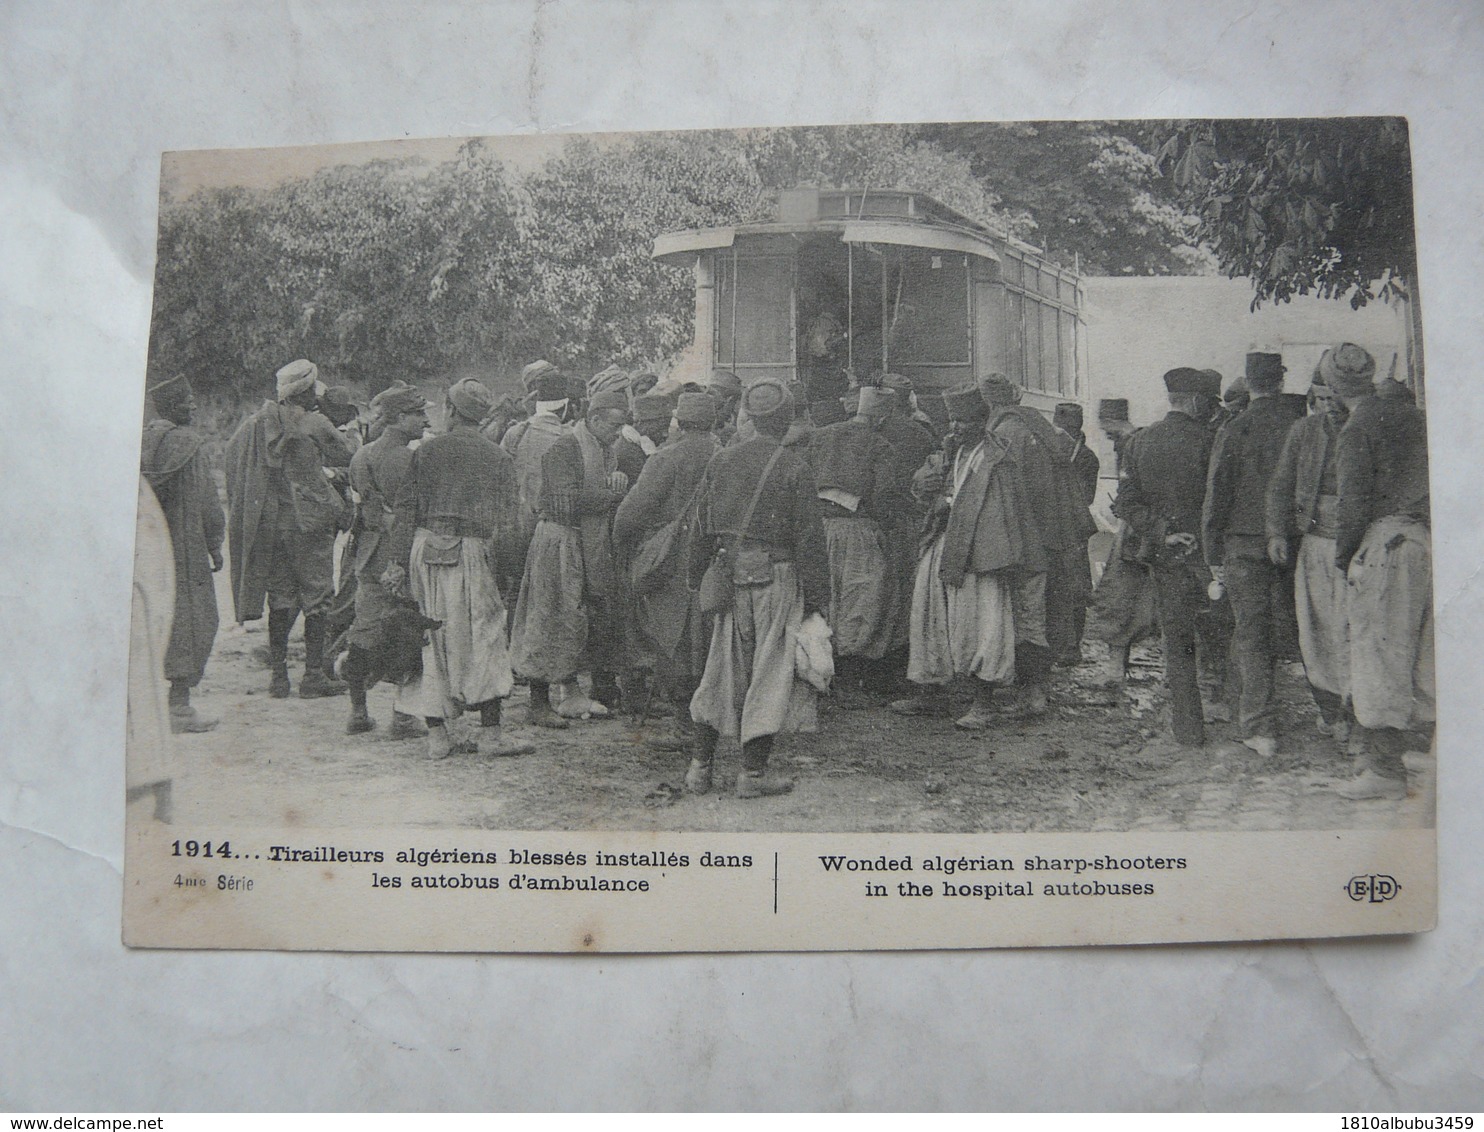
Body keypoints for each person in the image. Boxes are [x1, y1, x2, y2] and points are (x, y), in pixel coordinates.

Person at [687, 379, 829, 797]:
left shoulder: (721, 461)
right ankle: (751, 775)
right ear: (786, 421)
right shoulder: (794, 467)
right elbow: (809, 541)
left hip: (729, 571)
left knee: (720, 669)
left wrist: (698, 580)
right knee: (770, 671)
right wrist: (819, 601)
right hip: (778, 576)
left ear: (748, 416)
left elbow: (700, 528)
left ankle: (699, 769)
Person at [387, 379, 531, 760]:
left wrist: (397, 563)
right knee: (485, 636)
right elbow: (510, 522)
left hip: (426, 547)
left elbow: (405, 512)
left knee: (430, 638)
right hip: (474, 551)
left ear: (451, 411)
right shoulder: (497, 456)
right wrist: (509, 571)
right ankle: (492, 734)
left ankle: (437, 736)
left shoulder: (427, 452)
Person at [890, 386, 1042, 729]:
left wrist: (952, 507)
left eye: (963, 421)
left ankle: (983, 702)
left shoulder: (996, 458)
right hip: (946, 543)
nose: (955, 427)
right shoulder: (953, 453)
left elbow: (1000, 511)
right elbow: (929, 491)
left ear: (982, 421)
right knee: (927, 614)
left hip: (980, 552)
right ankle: (930, 692)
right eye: (953, 420)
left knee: (980, 625)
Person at [1327, 344, 1433, 800]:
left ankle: (1386, 772)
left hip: (1386, 544)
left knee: (1377, 652)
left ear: (1331, 386)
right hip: (1426, 541)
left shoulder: (1356, 429)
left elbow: (1352, 504)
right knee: (1425, 652)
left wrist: (1344, 557)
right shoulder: (1412, 417)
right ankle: (1425, 756)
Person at [224, 358, 355, 699]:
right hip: (310, 524)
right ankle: (312, 675)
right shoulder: (314, 422)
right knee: (318, 597)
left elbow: (231, 455)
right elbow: (347, 456)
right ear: (307, 390)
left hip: (272, 524)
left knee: (280, 598)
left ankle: (279, 677)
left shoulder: (255, 424)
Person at [509, 389, 633, 726]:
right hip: (558, 540)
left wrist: (611, 484)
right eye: (614, 425)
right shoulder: (564, 448)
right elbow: (565, 502)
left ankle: (573, 694)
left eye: (622, 426)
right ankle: (537, 703)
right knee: (548, 615)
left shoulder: (605, 452)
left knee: (577, 616)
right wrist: (611, 494)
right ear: (593, 420)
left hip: (583, 540)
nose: (618, 433)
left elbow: (591, 492)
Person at [1202, 352, 1304, 757]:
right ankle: (1338, 720)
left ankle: (1260, 728)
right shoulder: (1302, 425)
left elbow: (1217, 494)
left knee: (1252, 633)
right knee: (1307, 627)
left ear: (1248, 382)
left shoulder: (1234, 428)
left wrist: (1213, 553)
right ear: (1281, 380)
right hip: (1297, 541)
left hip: (1244, 545)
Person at [1113, 369, 1220, 747]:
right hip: (1208, 558)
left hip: (1166, 556)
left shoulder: (1140, 442)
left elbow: (1124, 503)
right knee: (1223, 633)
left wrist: (1162, 531)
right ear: (1194, 401)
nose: (1209, 408)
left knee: (1178, 642)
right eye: (1206, 401)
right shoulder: (1212, 441)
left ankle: (1189, 729)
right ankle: (1231, 713)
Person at [981, 374, 1097, 715]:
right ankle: (1037, 689)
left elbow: (1010, 495)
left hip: (1027, 540)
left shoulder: (1005, 434)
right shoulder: (1043, 429)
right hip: (1056, 537)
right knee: (1047, 612)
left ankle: (1033, 695)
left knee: (1027, 615)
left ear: (990, 404)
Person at [613, 391, 722, 745]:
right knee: (706, 634)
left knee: (671, 633)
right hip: (713, 556)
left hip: (671, 558)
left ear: (679, 420)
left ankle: (684, 723)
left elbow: (630, 515)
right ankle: (707, 718)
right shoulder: (725, 455)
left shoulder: (666, 458)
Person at [1265, 357, 1353, 744]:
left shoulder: (1366, 428)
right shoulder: (1303, 431)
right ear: (1313, 398)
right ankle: (1332, 712)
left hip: (1358, 546)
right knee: (1316, 628)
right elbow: (1280, 486)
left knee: (1353, 628)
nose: (1330, 405)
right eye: (1322, 398)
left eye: (1337, 397)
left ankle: (1360, 715)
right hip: (1315, 544)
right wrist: (1276, 534)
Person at [806, 385, 908, 704]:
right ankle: (848, 681)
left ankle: (818, 675)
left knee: (825, 598)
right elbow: (884, 494)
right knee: (860, 600)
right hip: (858, 530)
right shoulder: (880, 444)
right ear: (881, 418)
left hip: (819, 528)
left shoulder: (821, 436)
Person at [341, 382, 431, 738]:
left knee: (363, 631)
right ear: (400, 417)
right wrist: (399, 559)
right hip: (397, 554)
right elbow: (408, 514)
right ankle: (403, 716)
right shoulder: (404, 458)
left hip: (366, 552)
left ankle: (358, 711)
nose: (425, 420)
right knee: (410, 631)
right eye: (419, 413)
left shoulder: (362, 454)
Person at [140, 374, 225, 733]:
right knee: (193, 619)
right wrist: (215, 543)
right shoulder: (189, 445)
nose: (193, 405)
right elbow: (207, 501)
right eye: (187, 400)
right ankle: (179, 707)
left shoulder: (141, 441)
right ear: (172, 406)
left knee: (148, 617)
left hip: (146, 550)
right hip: (184, 550)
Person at [1051, 401, 1100, 665]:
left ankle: (1071, 647)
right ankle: (1062, 645)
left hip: (1073, 531)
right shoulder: (1081, 455)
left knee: (1076, 589)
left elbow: (1086, 497)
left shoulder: (1085, 458)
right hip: (1059, 529)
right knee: (1060, 587)